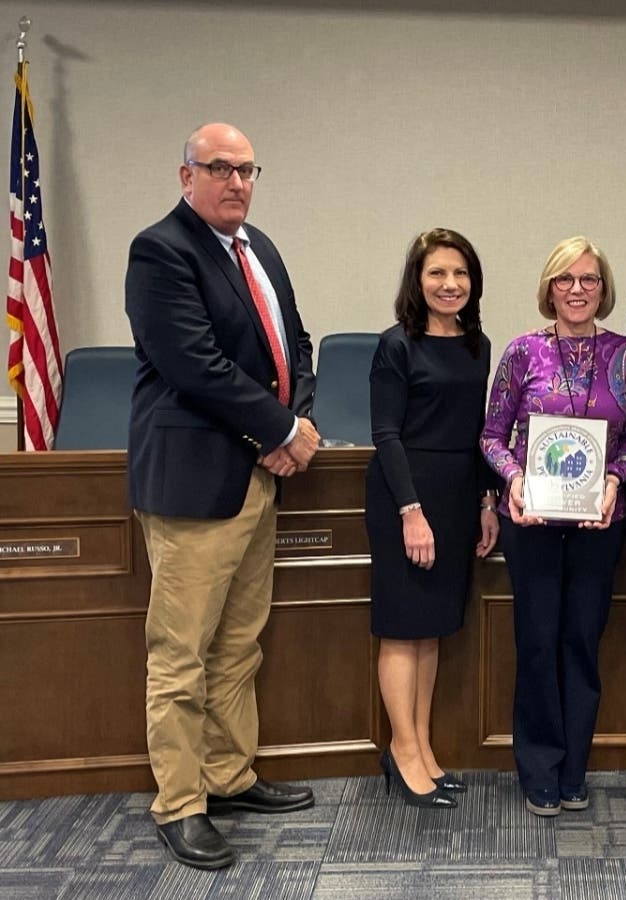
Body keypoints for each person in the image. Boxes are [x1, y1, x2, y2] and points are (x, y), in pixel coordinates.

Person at [125, 123, 319, 870]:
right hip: (193, 484)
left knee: (239, 644)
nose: (237, 182)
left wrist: (294, 419)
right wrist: (276, 431)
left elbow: (292, 342)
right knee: (181, 655)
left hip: (257, 475)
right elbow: (193, 364)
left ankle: (229, 776)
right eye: (220, 168)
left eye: (246, 169)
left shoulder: (257, 247)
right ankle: (180, 802)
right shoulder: (160, 251)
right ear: (186, 175)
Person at [480, 236, 626, 818]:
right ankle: (539, 770)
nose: (577, 290)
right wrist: (513, 478)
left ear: (604, 289)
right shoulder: (522, 353)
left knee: (581, 643)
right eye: (565, 280)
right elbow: (492, 435)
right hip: (532, 522)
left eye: (589, 280)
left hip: (601, 523)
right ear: (549, 288)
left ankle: (575, 768)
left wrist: (614, 480)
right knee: (537, 642)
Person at [366, 228, 499, 809]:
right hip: (407, 495)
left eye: (460, 274)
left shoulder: (477, 344)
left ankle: (420, 745)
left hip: (458, 492)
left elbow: (480, 433)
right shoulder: (396, 345)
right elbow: (385, 433)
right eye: (437, 273)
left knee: (433, 628)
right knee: (402, 626)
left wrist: (486, 502)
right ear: (416, 281)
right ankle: (401, 751)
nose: (450, 284)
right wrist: (410, 512)